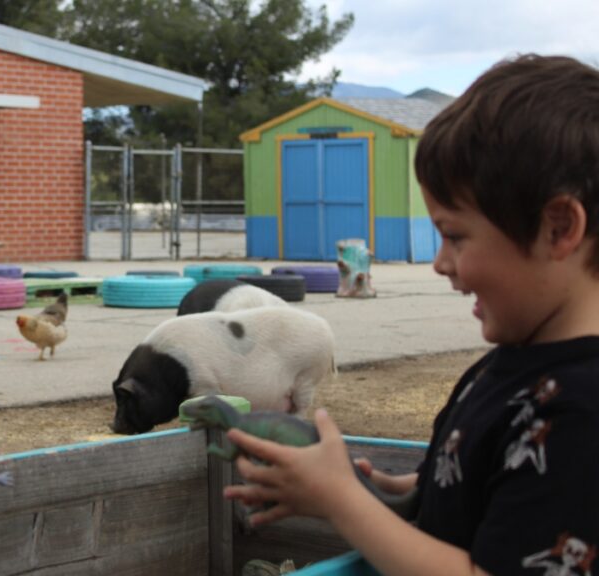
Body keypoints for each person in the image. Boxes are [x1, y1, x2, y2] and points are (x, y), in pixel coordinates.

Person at [223, 54, 599, 576]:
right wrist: (394, 494)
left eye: (456, 236)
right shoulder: (511, 364)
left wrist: (342, 503)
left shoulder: (582, 412)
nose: (440, 263)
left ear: (559, 228)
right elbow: (478, 494)